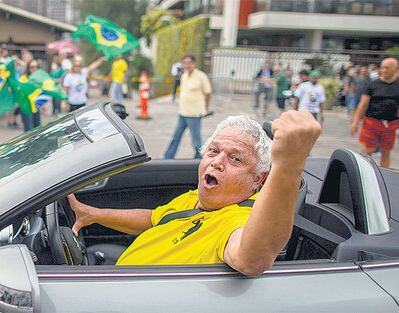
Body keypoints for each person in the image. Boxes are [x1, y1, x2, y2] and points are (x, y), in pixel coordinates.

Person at [67, 110, 321, 275]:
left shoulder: (239, 220)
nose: (217, 162)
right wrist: (93, 214)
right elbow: (153, 219)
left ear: (258, 180)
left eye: (235, 159)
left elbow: (251, 259)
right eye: (213, 151)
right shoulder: (198, 198)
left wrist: (288, 165)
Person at [350, 58, 399, 168]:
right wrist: (355, 122)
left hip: (391, 123)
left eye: (388, 68)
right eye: (382, 67)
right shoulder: (373, 85)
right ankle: (364, 170)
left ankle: (384, 175)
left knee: (386, 151)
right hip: (372, 121)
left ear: (396, 69)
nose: (384, 70)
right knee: (369, 149)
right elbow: (362, 104)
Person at [164, 54, 212, 159]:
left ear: (194, 64)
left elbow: (208, 92)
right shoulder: (184, 76)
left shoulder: (201, 76)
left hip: (194, 114)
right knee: (175, 137)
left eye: (189, 63)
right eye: (184, 63)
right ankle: (167, 157)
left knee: (196, 141)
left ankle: (199, 159)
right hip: (183, 112)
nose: (186, 65)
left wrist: (205, 106)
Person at [19, 59, 42, 131]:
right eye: (32, 67)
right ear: (28, 68)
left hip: (36, 107)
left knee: (37, 129)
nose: (34, 69)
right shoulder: (24, 78)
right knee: (28, 130)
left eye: (36, 67)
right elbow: (19, 90)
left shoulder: (39, 78)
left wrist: (43, 107)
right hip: (27, 107)